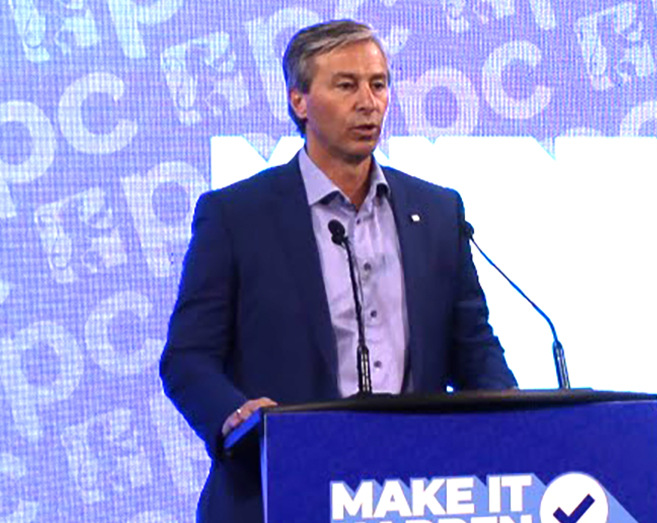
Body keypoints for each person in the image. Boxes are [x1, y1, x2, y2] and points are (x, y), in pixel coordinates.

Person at [159, 19, 517, 523]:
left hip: (415, 495)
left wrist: (520, 423)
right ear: (300, 101)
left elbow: (472, 347)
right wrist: (234, 415)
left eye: (379, 83)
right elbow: (188, 358)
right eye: (346, 85)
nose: (368, 102)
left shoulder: (437, 211)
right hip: (279, 491)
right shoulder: (237, 215)